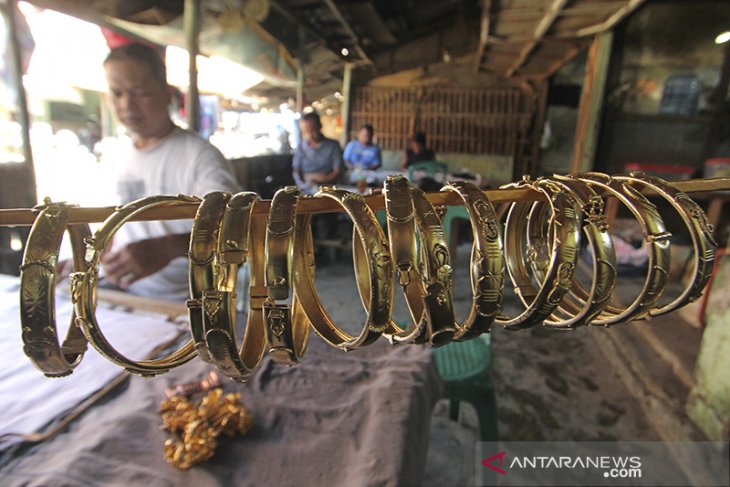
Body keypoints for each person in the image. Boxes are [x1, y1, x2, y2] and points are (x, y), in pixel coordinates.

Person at [101, 43, 240, 302]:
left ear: (166, 94)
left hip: (188, 300)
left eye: (140, 92)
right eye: (117, 93)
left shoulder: (200, 156)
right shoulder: (115, 155)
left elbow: (235, 232)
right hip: (126, 294)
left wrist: (168, 247)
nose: (127, 104)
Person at [292, 111, 343, 194]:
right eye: (305, 132)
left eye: (312, 130)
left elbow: (337, 171)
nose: (310, 135)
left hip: (328, 189)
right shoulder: (301, 146)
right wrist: (302, 185)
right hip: (305, 189)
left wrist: (321, 178)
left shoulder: (333, 145)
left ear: (320, 126)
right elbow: (296, 170)